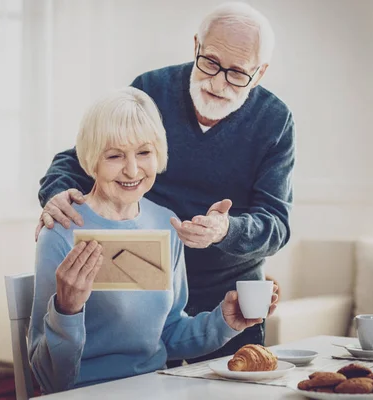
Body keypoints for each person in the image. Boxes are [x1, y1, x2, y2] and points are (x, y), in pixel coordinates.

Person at [36, 2, 294, 361]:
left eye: (237, 73)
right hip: (145, 286)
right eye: (210, 62)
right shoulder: (152, 90)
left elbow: (277, 225)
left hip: (228, 295)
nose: (218, 82)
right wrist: (57, 195)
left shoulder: (274, 121)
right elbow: (84, 155)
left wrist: (225, 229)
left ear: (260, 72)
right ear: (196, 47)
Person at [29, 87, 278, 393]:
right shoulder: (61, 230)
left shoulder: (165, 224)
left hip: (154, 389)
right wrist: (66, 310)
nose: (132, 169)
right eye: (114, 155)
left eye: (144, 153)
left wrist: (225, 321)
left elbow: (169, 334)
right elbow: (47, 377)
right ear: (91, 158)